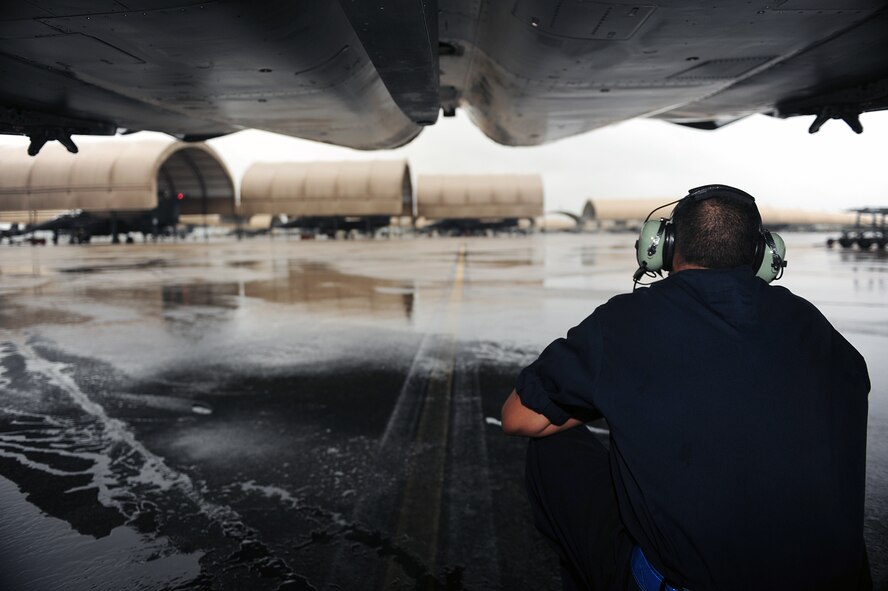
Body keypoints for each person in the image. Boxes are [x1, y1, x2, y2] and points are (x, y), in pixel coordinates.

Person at [501, 185, 871, 591]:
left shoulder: (626, 322)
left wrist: (613, 394)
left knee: (553, 446)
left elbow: (518, 417)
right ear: (764, 255)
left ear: (662, 245)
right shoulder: (818, 329)